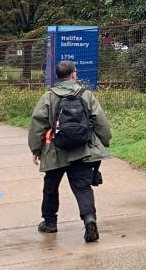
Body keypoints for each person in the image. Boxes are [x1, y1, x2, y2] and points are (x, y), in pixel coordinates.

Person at [28, 60, 111, 242]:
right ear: (74, 74)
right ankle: (89, 219)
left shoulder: (48, 97)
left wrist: (36, 148)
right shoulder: (86, 95)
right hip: (81, 149)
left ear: (58, 77)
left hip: (55, 150)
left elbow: (37, 124)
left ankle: (50, 223)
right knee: (82, 187)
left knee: (51, 187)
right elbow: (100, 121)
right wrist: (104, 141)